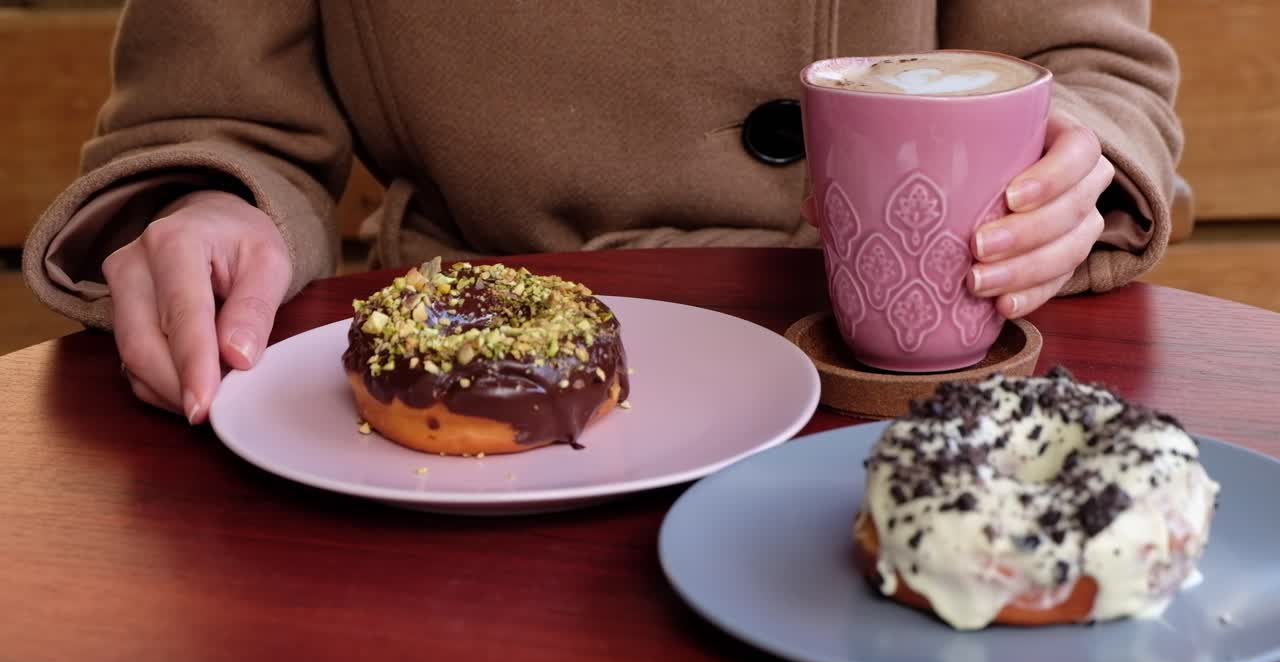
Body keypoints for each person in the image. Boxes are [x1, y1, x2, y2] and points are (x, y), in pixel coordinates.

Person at [22, 1, 1182, 425]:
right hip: (454, 403)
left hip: (884, 386)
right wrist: (210, 203)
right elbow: (218, 115)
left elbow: (1079, 63)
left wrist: (1065, 174)